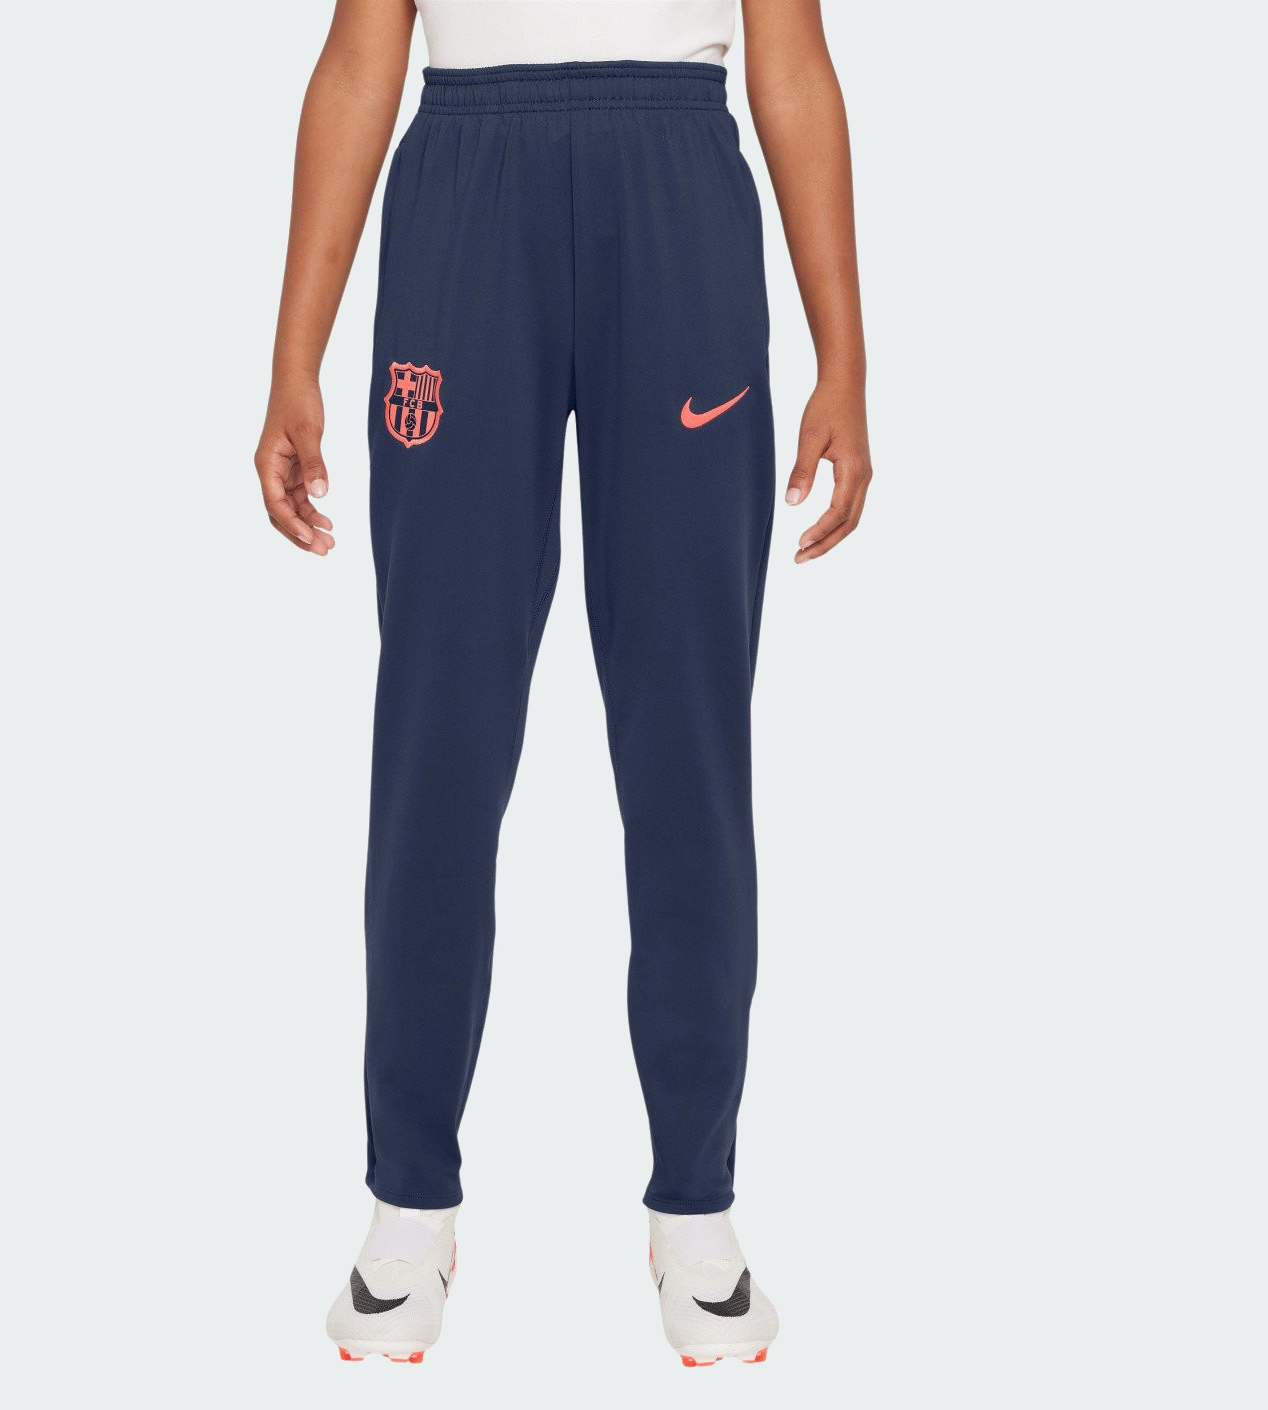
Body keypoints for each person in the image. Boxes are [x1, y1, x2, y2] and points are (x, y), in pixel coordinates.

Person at [253, 0, 873, 1367]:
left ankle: (695, 1207)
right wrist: (294, 354)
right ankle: (408, 1201)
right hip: (466, 192)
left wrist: (845, 351)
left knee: (687, 737)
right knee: (440, 729)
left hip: (677, 189)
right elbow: (359, 59)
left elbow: (791, 61)